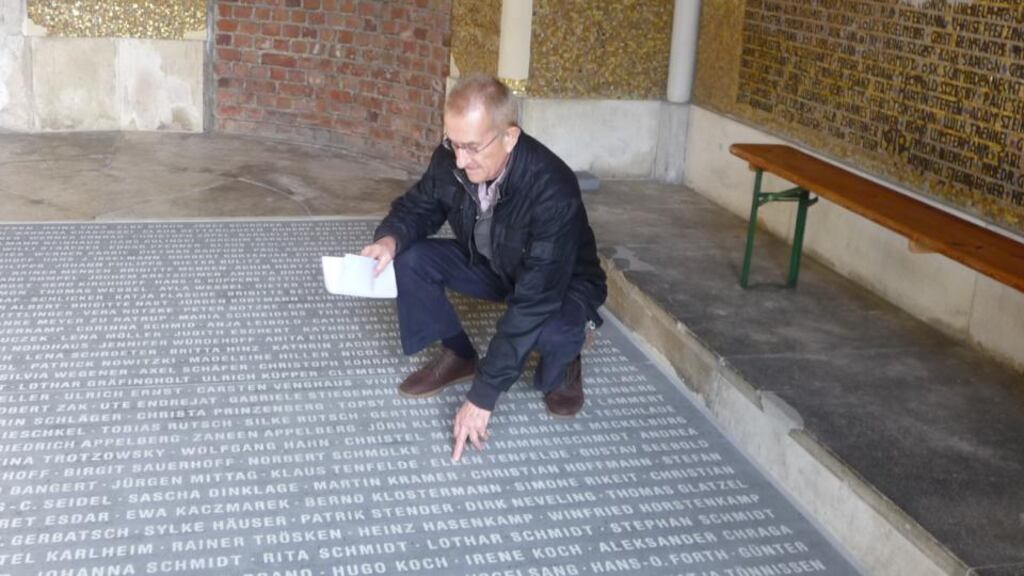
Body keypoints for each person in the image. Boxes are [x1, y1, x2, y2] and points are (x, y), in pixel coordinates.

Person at [360, 74, 607, 461]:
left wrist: (483, 397)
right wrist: (388, 239)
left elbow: (535, 299)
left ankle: (568, 359)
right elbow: (419, 207)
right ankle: (458, 355)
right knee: (408, 258)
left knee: (553, 337)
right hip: (492, 263)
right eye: (453, 144)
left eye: (472, 147)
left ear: (510, 137)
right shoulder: (450, 159)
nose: (460, 160)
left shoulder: (552, 188)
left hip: (559, 284)